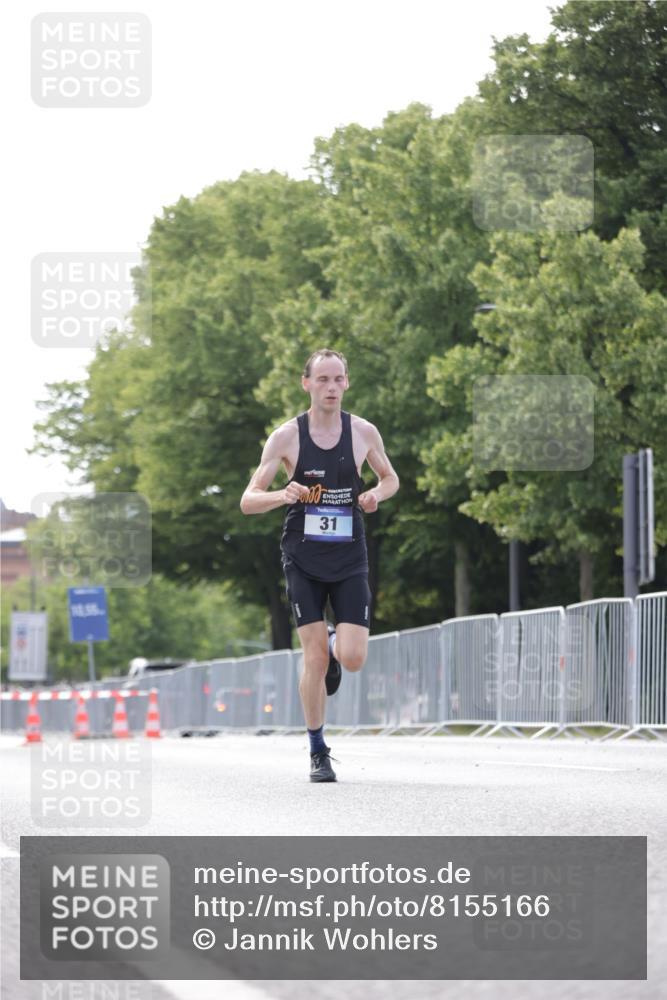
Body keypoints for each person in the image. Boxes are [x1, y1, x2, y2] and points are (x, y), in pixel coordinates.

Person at [240, 349, 399, 782]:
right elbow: (248, 500)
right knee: (311, 656)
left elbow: (390, 478)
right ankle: (317, 750)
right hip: (303, 558)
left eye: (338, 379)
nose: (331, 387)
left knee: (352, 659)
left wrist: (375, 497)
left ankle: (334, 644)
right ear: (305, 383)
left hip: (349, 557)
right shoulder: (286, 437)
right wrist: (283, 494)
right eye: (323, 379)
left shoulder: (364, 433)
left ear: (347, 383)